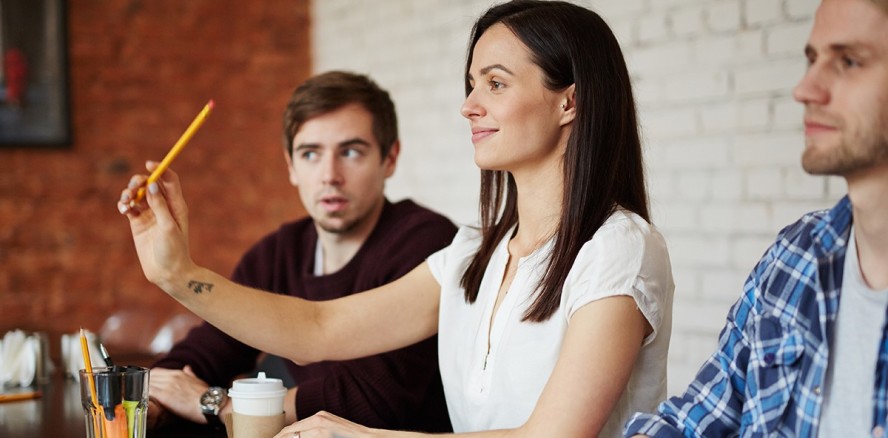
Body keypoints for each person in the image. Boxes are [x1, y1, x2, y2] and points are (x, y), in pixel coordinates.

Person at [118, 1, 674, 436]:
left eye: (496, 83)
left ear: (569, 103)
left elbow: (553, 435)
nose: (469, 105)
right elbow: (318, 330)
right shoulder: (471, 254)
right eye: (472, 85)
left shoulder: (618, 248)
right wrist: (176, 273)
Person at [134, 71, 456, 432]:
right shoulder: (278, 253)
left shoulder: (428, 242)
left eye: (351, 152)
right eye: (310, 154)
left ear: (390, 158)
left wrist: (219, 405)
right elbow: (206, 351)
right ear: (291, 166)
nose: (330, 175)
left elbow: (374, 399)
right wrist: (155, 404)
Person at [624, 0, 888, 436]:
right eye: (812, 59)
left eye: (849, 62)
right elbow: (695, 421)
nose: (805, 89)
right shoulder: (795, 255)